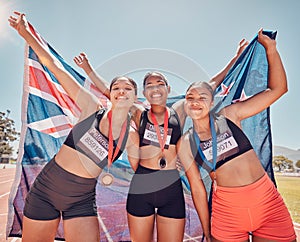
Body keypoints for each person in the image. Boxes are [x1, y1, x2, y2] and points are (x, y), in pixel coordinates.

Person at [74, 41, 247, 241]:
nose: (155, 88)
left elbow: (208, 86)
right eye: (149, 85)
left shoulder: (180, 111)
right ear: (144, 93)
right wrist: (88, 68)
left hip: (171, 187)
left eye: (160, 84)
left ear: (168, 88)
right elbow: (111, 92)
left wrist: (235, 60)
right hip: (142, 186)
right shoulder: (140, 113)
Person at [9, 11, 139, 242]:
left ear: (134, 97)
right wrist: (27, 35)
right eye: (116, 88)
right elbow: (56, 70)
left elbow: (144, 165)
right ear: (109, 94)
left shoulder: (131, 135)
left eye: (127, 89)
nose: (121, 91)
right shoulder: (90, 108)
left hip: (81, 200)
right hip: (46, 192)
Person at [177, 29, 296, 242]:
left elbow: (278, 90)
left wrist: (271, 50)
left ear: (211, 102)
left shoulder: (229, 115)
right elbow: (197, 189)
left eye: (202, 97)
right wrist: (207, 231)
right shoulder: (185, 142)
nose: (195, 100)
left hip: (268, 206)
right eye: (190, 97)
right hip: (227, 215)